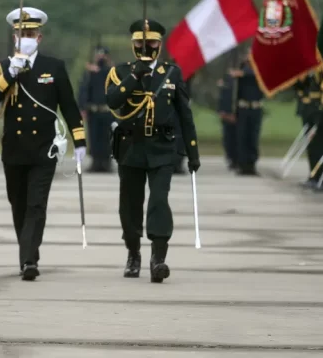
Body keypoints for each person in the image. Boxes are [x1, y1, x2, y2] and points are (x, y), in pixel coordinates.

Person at [0, 7, 86, 281]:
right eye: (20, 33)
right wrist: (10, 74)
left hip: (44, 149)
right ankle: (26, 251)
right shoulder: (4, 66)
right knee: (18, 204)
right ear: (14, 37)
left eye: (29, 33)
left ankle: (29, 259)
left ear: (39, 37)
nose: (25, 37)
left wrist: (79, 141)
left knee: (36, 205)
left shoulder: (53, 67)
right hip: (14, 150)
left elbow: (69, 106)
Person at [105, 19, 200, 283]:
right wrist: (135, 76)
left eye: (151, 43)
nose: (145, 47)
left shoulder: (172, 73)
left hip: (162, 148)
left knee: (159, 201)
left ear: (160, 44)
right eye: (140, 42)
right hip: (131, 148)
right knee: (130, 206)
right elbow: (112, 100)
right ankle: (133, 253)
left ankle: (158, 257)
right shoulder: (121, 71)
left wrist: (192, 152)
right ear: (132, 44)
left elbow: (185, 114)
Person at [78, 46, 115, 173]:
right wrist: (82, 107)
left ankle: (106, 163)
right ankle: (95, 162)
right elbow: (83, 90)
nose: (100, 58)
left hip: (108, 111)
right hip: (93, 111)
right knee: (94, 138)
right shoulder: (89, 73)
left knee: (107, 138)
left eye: (103, 56)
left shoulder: (112, 72)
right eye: (98, 56)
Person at [231, 53, 263, 176]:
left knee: (253, 138)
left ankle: (251, 164)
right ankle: (243, 164)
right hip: (243, 108)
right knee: (242, 137)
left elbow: (257, 75)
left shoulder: (258, 72)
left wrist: (244, 73)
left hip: (255, 108)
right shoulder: (240, 71)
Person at [216, 71, 237, 171]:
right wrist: (222, 111)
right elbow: (223, 96)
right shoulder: (227, 78)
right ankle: (231, 158)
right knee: (228, 138)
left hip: (238, 113)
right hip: (226, 112)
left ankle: (237, 159)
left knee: (238, 138)